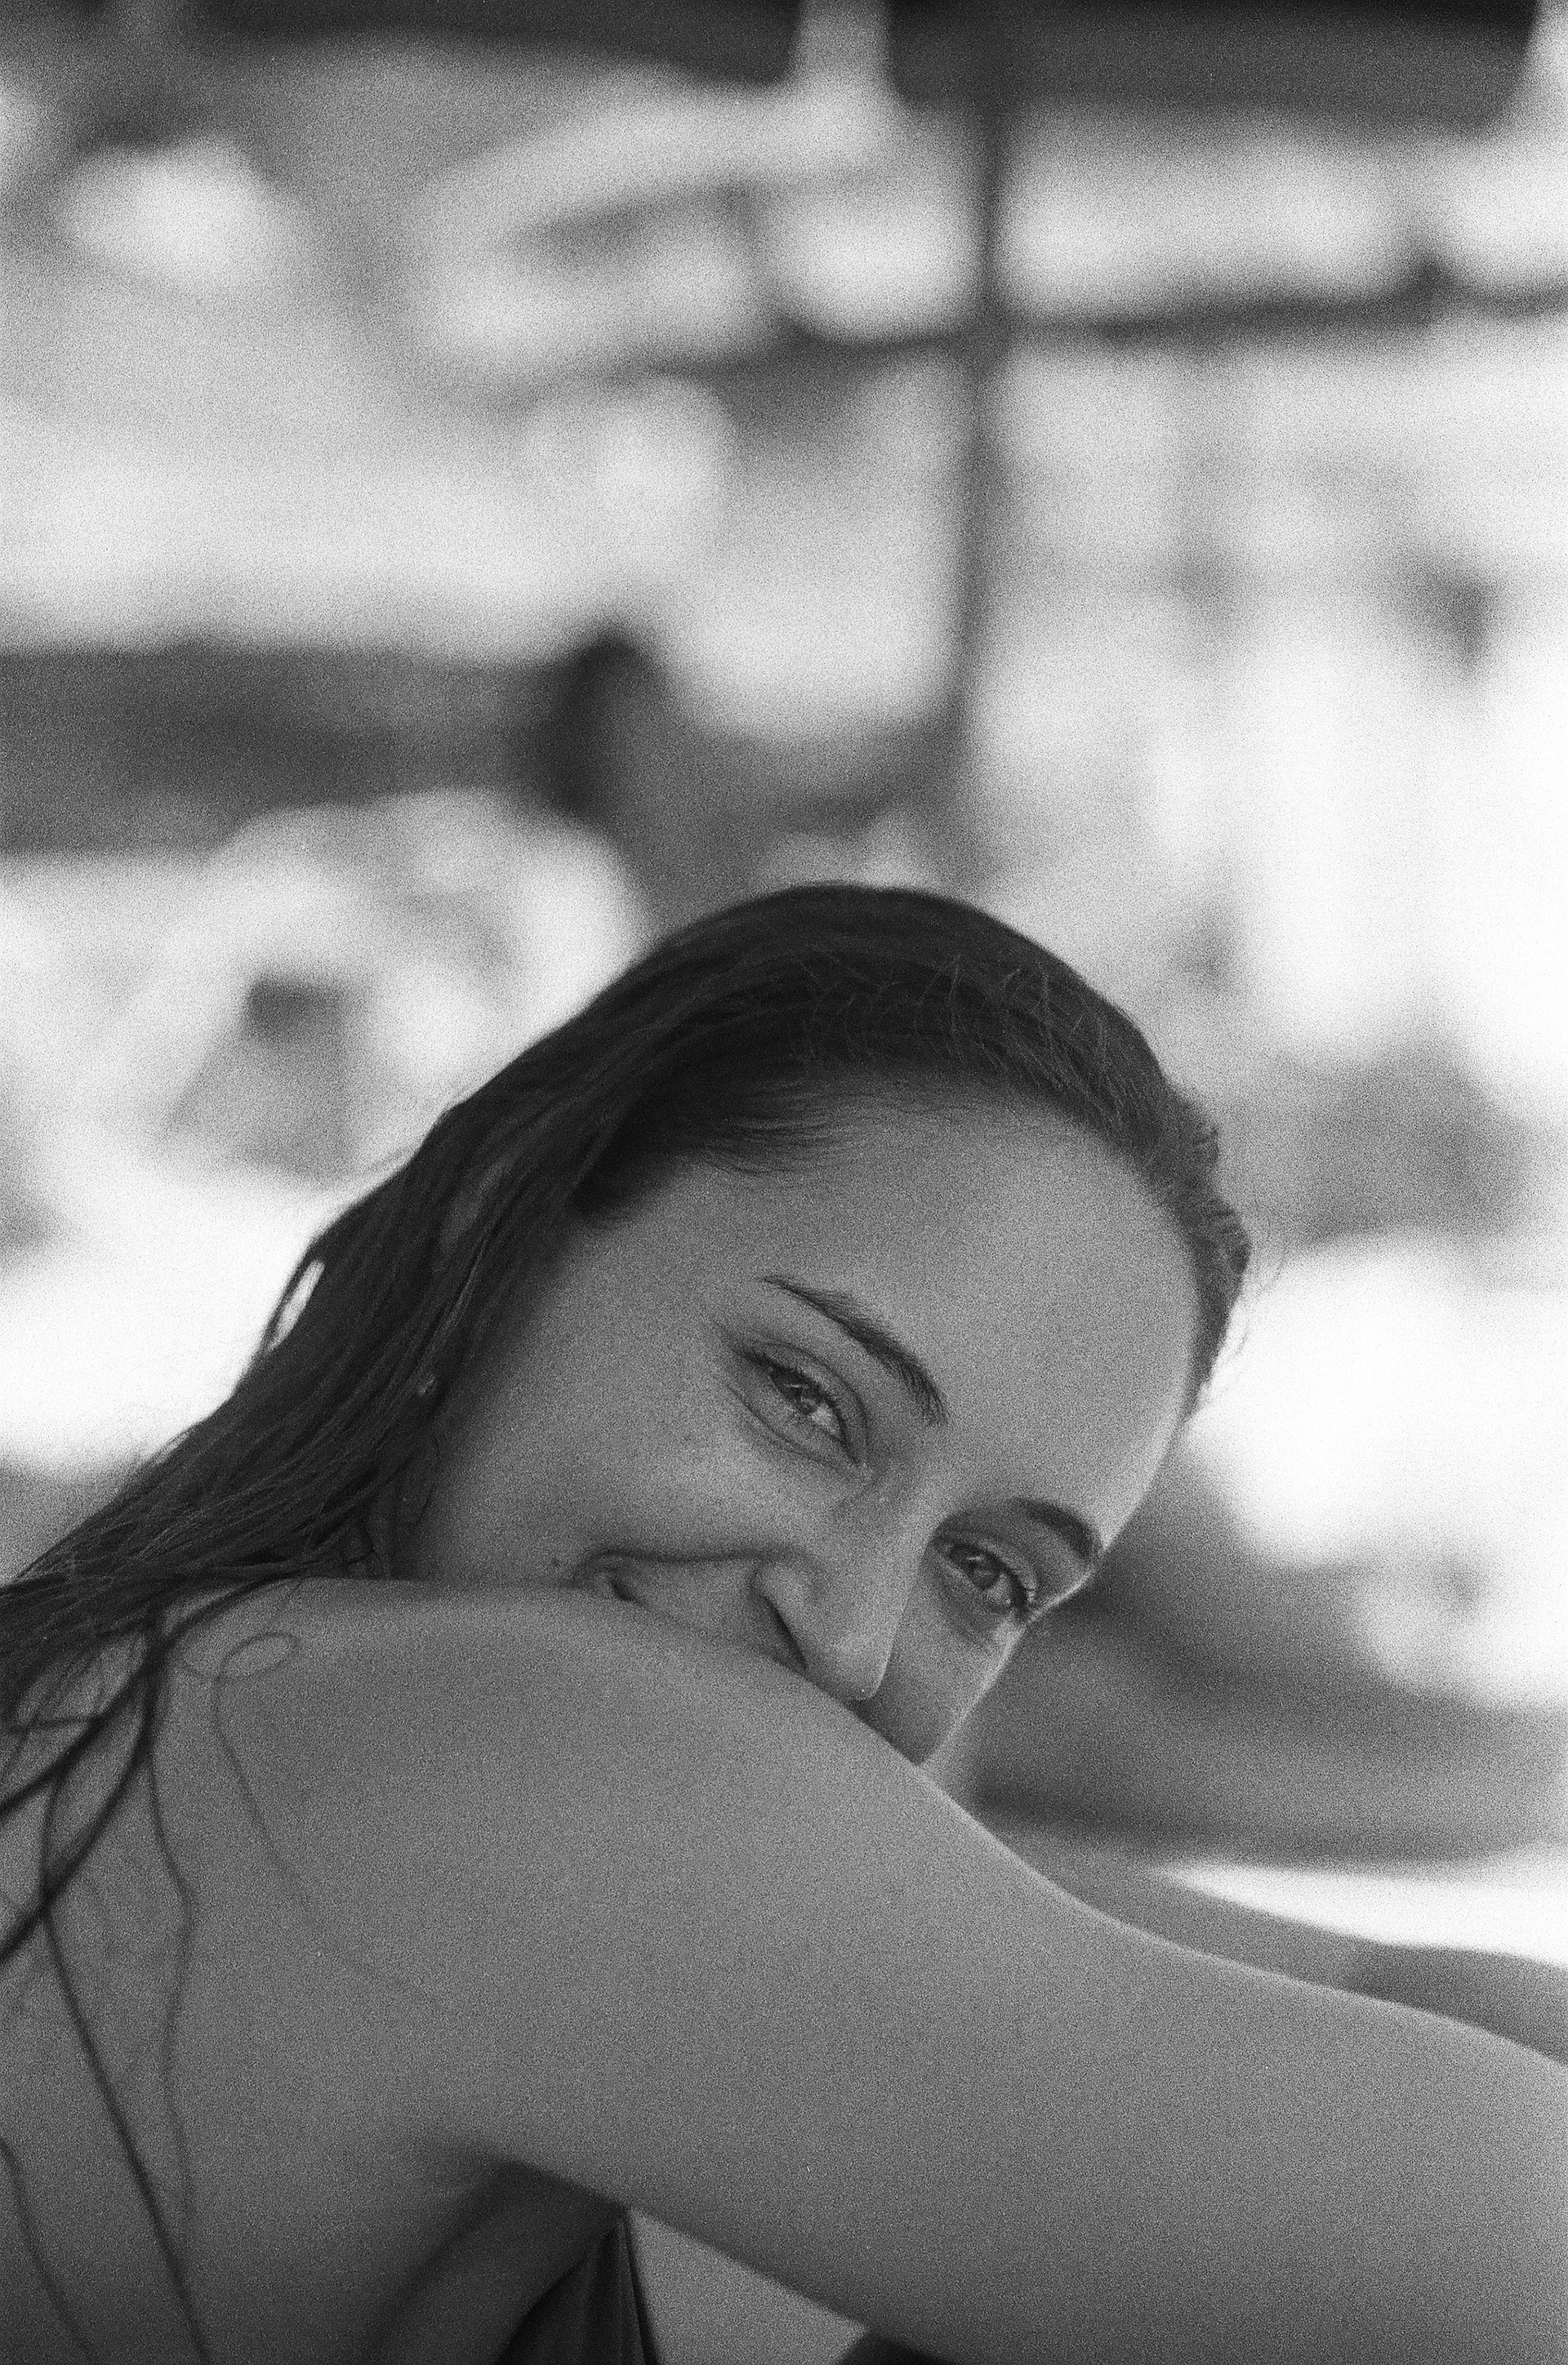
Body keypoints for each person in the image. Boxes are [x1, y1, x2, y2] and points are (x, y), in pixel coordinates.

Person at [0, 885, 1561, 2365]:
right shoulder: (473, 1764)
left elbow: (1378, 1993)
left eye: (990, 1573)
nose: (854, 1632)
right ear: (495, 1227)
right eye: (807, 1400)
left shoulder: (219, 1693)